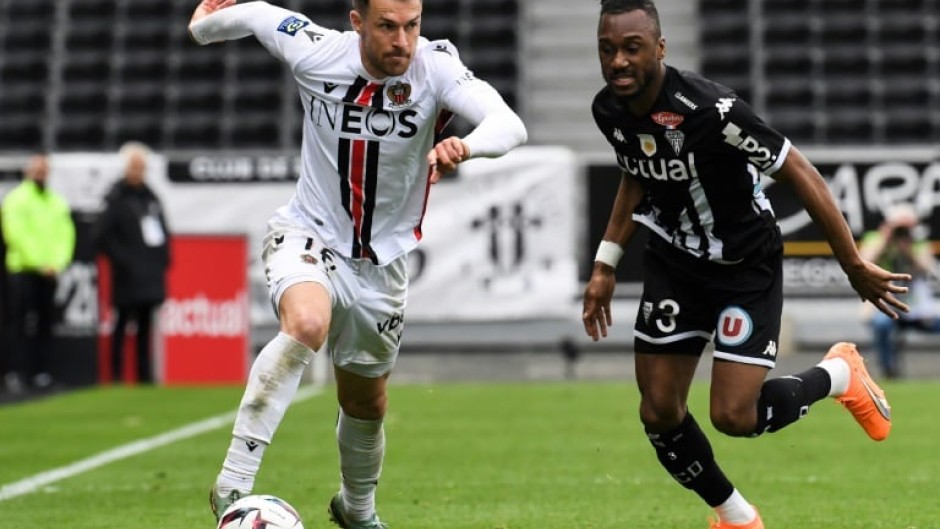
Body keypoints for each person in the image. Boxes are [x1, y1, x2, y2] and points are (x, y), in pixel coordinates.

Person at [188, 0, 527, 527]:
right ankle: (233, 485)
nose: (402, 41)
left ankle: (357, 511)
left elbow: (508, 124)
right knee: (305, 324)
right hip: (309, 234)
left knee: (366, 403)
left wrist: (467, 145)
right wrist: (203, 28)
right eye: (388, 27)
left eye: (412, 25)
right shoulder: (316, 50)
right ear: (357, 22)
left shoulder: (434, 67)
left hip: (382, 266)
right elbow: (255, 13)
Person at [581, 2, 909, 528]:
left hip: (743, 265)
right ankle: (736, 517)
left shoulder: (713, 109)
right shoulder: (608, 110)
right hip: (675, 263)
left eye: (631, 48)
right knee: (658, 411)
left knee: (734, 416)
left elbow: (798, 170)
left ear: (660, 48)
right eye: (607, 49)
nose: (617, 61)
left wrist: (852, 264)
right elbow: (636, 170)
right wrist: (605, 262)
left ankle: (840, 374)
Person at [96, 142, 171, 385]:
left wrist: (162, 259)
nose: (138, 172)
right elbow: (103, 237)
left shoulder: (151, 198)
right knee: (122, 324)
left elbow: (162, 232)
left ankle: (144, 376)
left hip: (149, 274)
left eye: (142, 167)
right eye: (135, 167)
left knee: (145, 327)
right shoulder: (116, 199)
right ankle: (116, 376)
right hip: (127, 276)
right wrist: (124, 261)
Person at [1, 154, 76, 394]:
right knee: (18, 325)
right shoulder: (16, 199)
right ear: (28, 171)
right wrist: (40, 262)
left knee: (45, 324)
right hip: (22, 270)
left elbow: (66, 234)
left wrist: (58, 262)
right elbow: (16, 235)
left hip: (50, 272)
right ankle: (14, 374)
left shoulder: (56, 201)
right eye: (37, 169)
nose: (41, 174)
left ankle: (41, 374)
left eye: (44, 170)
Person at [859, 203, 940, 379]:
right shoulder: (875, 238)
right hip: (885, 304)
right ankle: (889, 370)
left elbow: (929, 269)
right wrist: (886, 239)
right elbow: (863, 263)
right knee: (881, 324)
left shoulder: (917, 243)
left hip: (916, 306)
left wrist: (908, 249)